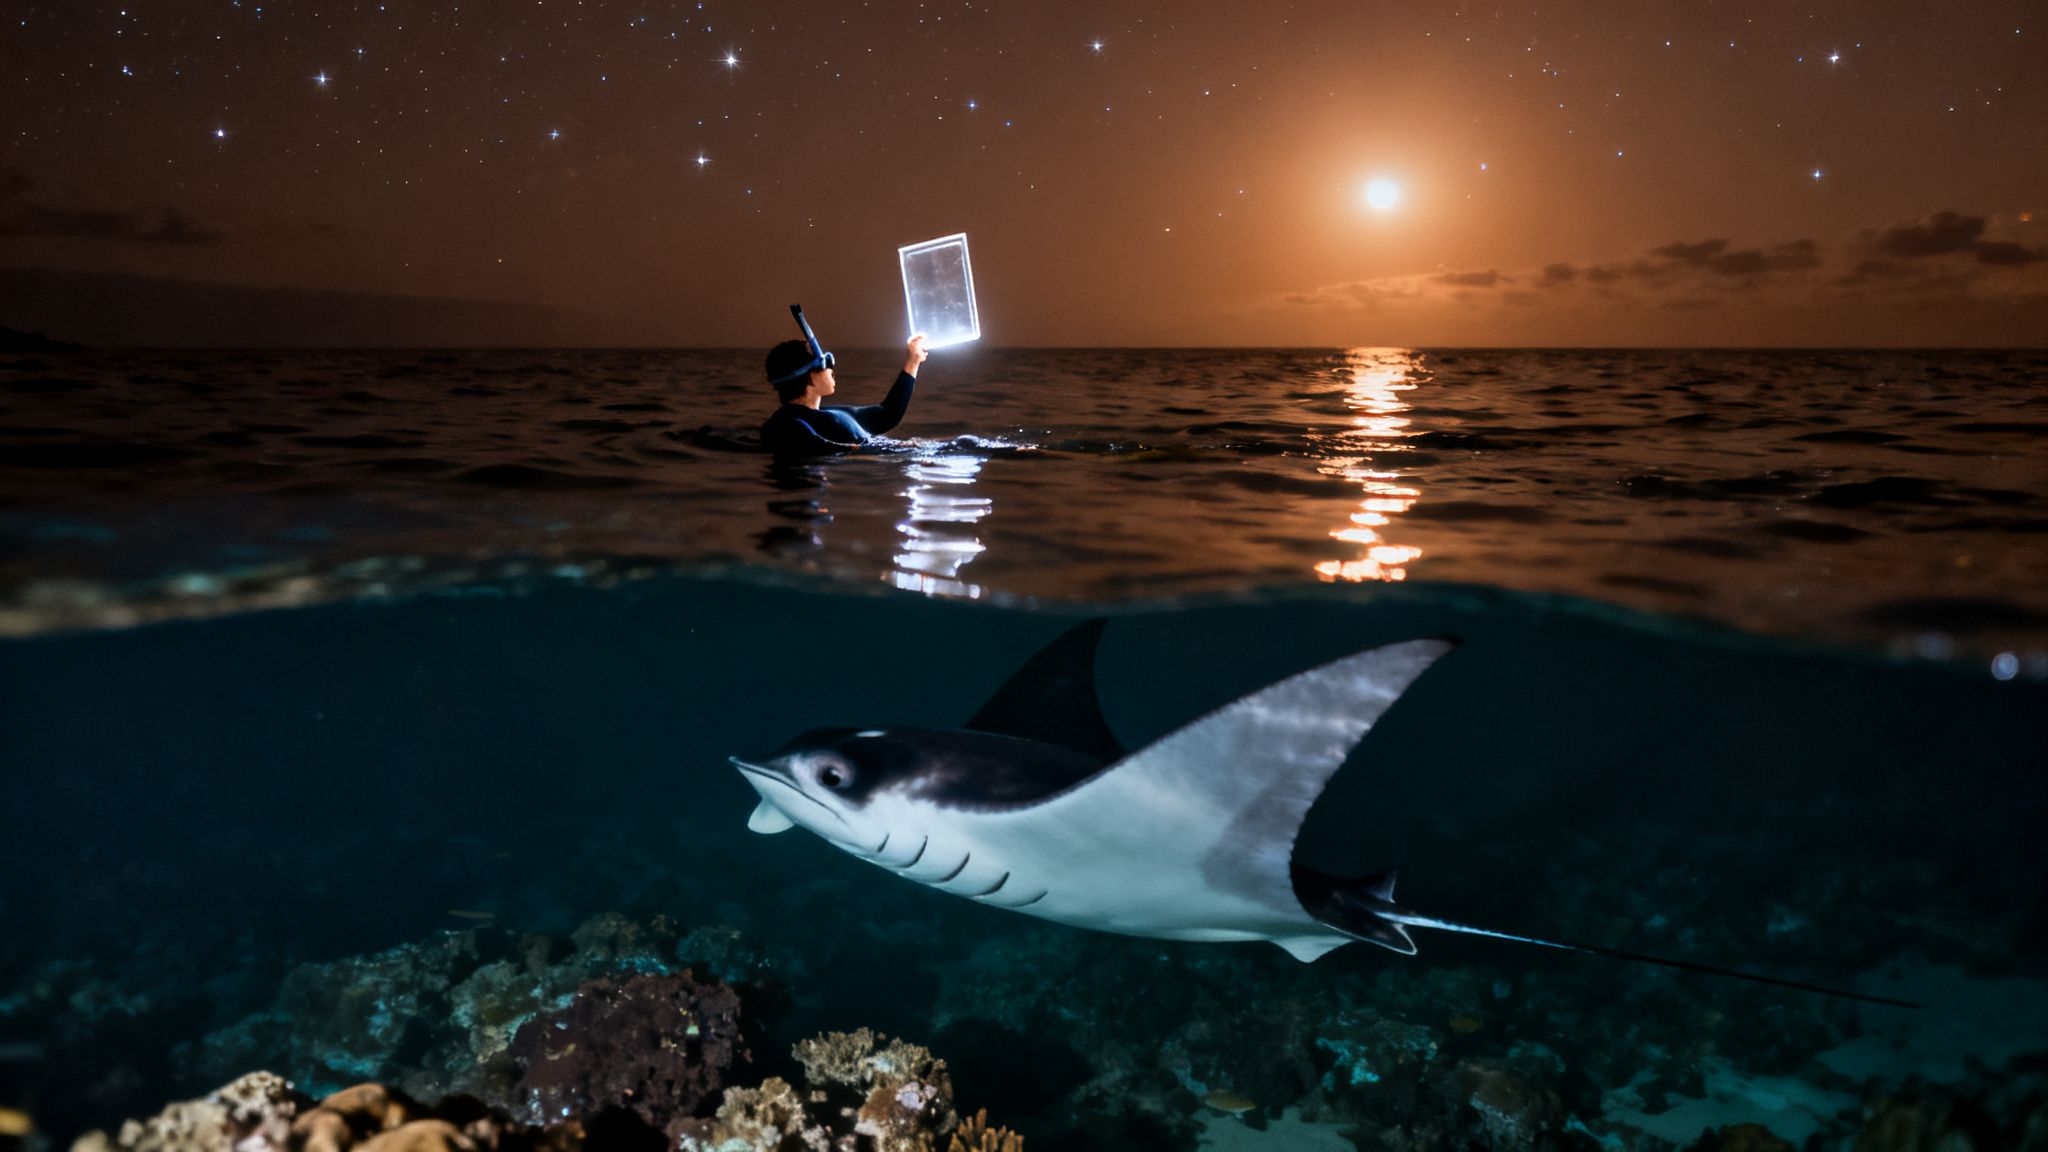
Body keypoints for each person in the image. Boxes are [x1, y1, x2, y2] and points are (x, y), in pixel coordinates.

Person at [760, 303, 928, 456]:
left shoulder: (830, 414)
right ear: (811, 377)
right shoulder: (786, 424)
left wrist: (913, 360)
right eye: (826, 363)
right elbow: (804, 444)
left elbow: (887, 414)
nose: (832, 369)